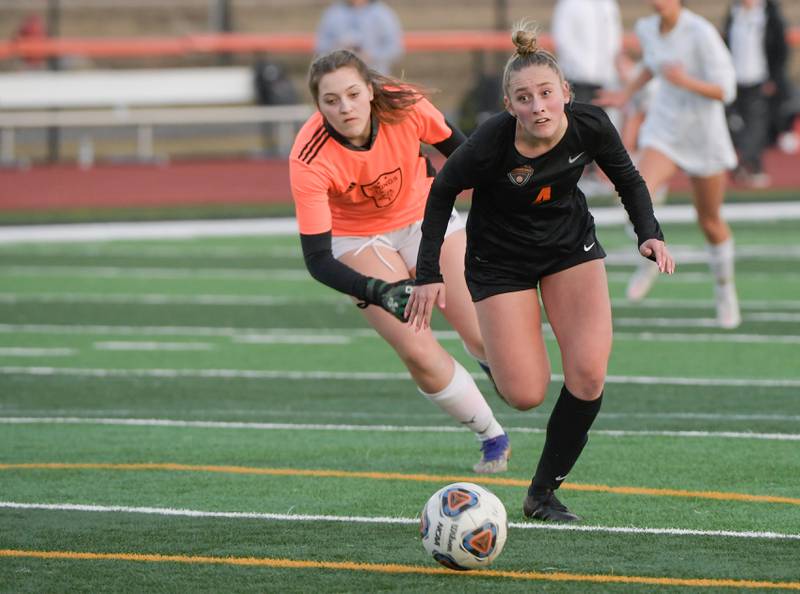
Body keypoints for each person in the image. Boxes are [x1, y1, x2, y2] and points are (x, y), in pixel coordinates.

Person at [405, 21, 674, 522]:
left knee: (589, 375)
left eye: (547, 93)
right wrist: (428, 272)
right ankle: (492, 350)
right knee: (526, 393)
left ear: (565, 94)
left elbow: (629, 180)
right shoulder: (490, 141)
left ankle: (542, 493)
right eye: (524, 98)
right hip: (498, 260)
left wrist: (648, 233)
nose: (538, 106)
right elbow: (441, 191)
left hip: (569, 247)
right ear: (509, 106)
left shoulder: (590, 124)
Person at [289, 49, 511, 474]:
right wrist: (379, 292)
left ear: (371, 91)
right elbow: (317, 259)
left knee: (485, 334)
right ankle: (490, 434)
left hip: (426, 216)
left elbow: (463, 154)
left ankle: (493, 366)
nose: (344, 107)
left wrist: (502, 210)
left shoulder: (404, 104)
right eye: (331, 100)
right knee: (416, 348)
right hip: (358, 238)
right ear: (318, 106)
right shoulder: (308, 157)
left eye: (353, 94)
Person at [595, 0, 741, 329]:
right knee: (634, 194)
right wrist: (626, 93)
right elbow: (651, 65)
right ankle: (650, 256)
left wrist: (683, 80)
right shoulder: (647, 29)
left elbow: (726, 90)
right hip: (664, 130)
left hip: (704, 135)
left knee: (710, 220)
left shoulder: (701, 32)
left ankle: (725, 291)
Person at [551, 0, 623, 197]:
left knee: (600, 126)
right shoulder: (570, 5)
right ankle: (576, 175)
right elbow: (564, 39)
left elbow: (614, 39)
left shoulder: (608, 5)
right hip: (577, 78)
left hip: (604, 77)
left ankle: (597, 175)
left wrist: (608, 70)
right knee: (576, 126)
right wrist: (581, 69)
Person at [723, 0, 790, 189]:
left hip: (759, 79)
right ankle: (751, 166)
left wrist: (774, 78)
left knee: (756, 125)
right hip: (736, 79)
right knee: (737, 124)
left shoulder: (769, 14)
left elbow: (780, 49)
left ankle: (749, 166)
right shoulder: (734, 13)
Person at [315, 0, 404, 75]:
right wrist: (338, 50)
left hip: (375, 76)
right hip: (339, 76)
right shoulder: (333, 13)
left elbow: (395, 49)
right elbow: (321, 47)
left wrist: (371, 56)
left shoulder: (383, 14)